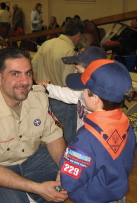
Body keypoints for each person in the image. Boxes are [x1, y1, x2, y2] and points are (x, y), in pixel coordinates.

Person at [0, 46, 68, 203]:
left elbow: (53, 136)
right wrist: (38, 188)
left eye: (28, 73)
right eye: (15, 74)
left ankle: (32, 194)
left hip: (31, 162)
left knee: (78, 169)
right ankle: (32, 194)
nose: (24, 81)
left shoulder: (38, 97)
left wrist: (66, 171)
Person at [59, 59, 135, 203]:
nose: (82, 93)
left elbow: (70, 179)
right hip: (117, 194)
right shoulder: (125, 123)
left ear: (95, 99)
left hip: (92, 198)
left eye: (85, 90)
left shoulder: (87, 137)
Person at [32, 18, 85, 144]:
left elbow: (33, 69)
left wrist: (43, 86)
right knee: (68, 141)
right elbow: (71, 83)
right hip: (64, 104)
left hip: (44, 99)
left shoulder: (47, 44)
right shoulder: (69, 51)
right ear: (78, 35)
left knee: (51, 139)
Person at [38, 46, 107, 131]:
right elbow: (70, 94)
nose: (75, 73)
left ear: (91, 71)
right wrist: (48, 88)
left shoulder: (103, 100)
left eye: (78, 70)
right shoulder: (85, 91)